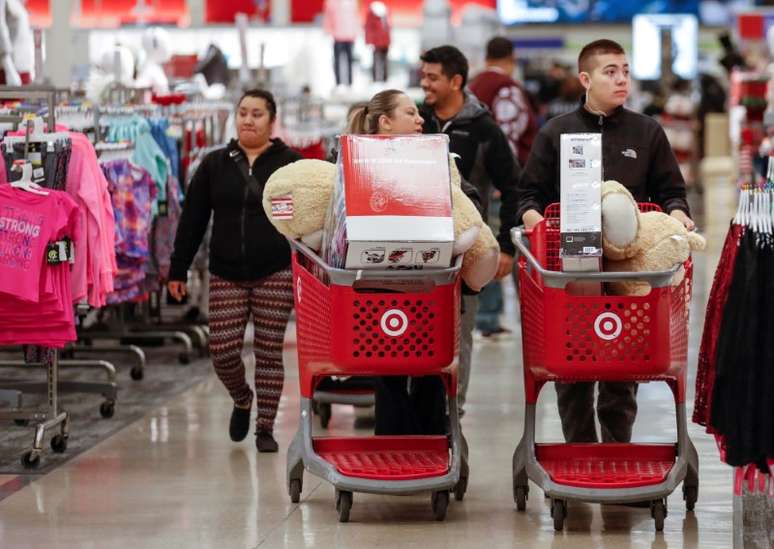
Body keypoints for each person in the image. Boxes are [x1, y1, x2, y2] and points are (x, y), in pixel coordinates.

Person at [517, 39, 694, 444]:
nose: (621, 79)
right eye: (610, 71)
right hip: (569, 270)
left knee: (623, 363)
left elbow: (672, 192)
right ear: (585, 79)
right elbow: (527, 196)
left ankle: (618, 450)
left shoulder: (646, 131)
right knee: (572, 367)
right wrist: (540, 225)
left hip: (630, 270)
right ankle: (579, 453)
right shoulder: (556, 132)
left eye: (625, 71)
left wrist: (678, 215)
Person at [167, 89, 302, 453]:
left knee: (269, 351)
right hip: (226, 271)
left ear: (271, 121)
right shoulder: (214, 164)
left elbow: (306, 220)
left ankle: (265, 428)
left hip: (275, 270)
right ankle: (242, 398)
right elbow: (193, 220)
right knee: (223, 350)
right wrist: (177, 269)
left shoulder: (291, 163)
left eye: (257, 114)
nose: (247, 120)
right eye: (242, 112)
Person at [346, 89, 481, 435]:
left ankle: (431, 444)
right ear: (385, 123)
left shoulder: (437, 158)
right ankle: (396, 447)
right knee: (387, 367)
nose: (421, 119)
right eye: (410, 113)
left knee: (431, 365)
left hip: (429, 282)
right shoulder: (353, 162)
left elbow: (470, 199)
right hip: (376, 284)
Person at [419, 45, 521, 413]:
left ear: (456, 81)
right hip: (415, 249)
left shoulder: (484, 130)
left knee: (458, 335)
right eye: (424, 75)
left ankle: (451, 413)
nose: (424, 83)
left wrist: (507, 247)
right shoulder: (415, 120)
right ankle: (417, 412)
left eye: (433, 77)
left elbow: (513, 186)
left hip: (466, 249)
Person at [468, 36, 537, 339]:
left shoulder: (472, 86)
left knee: (485, 245)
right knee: (507, 246)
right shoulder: (507, 88)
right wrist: (505, 180)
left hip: (476, 180)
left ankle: (486, 315)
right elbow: (508, 136)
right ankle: (493, 318)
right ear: (511, 58)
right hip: (503, 182)